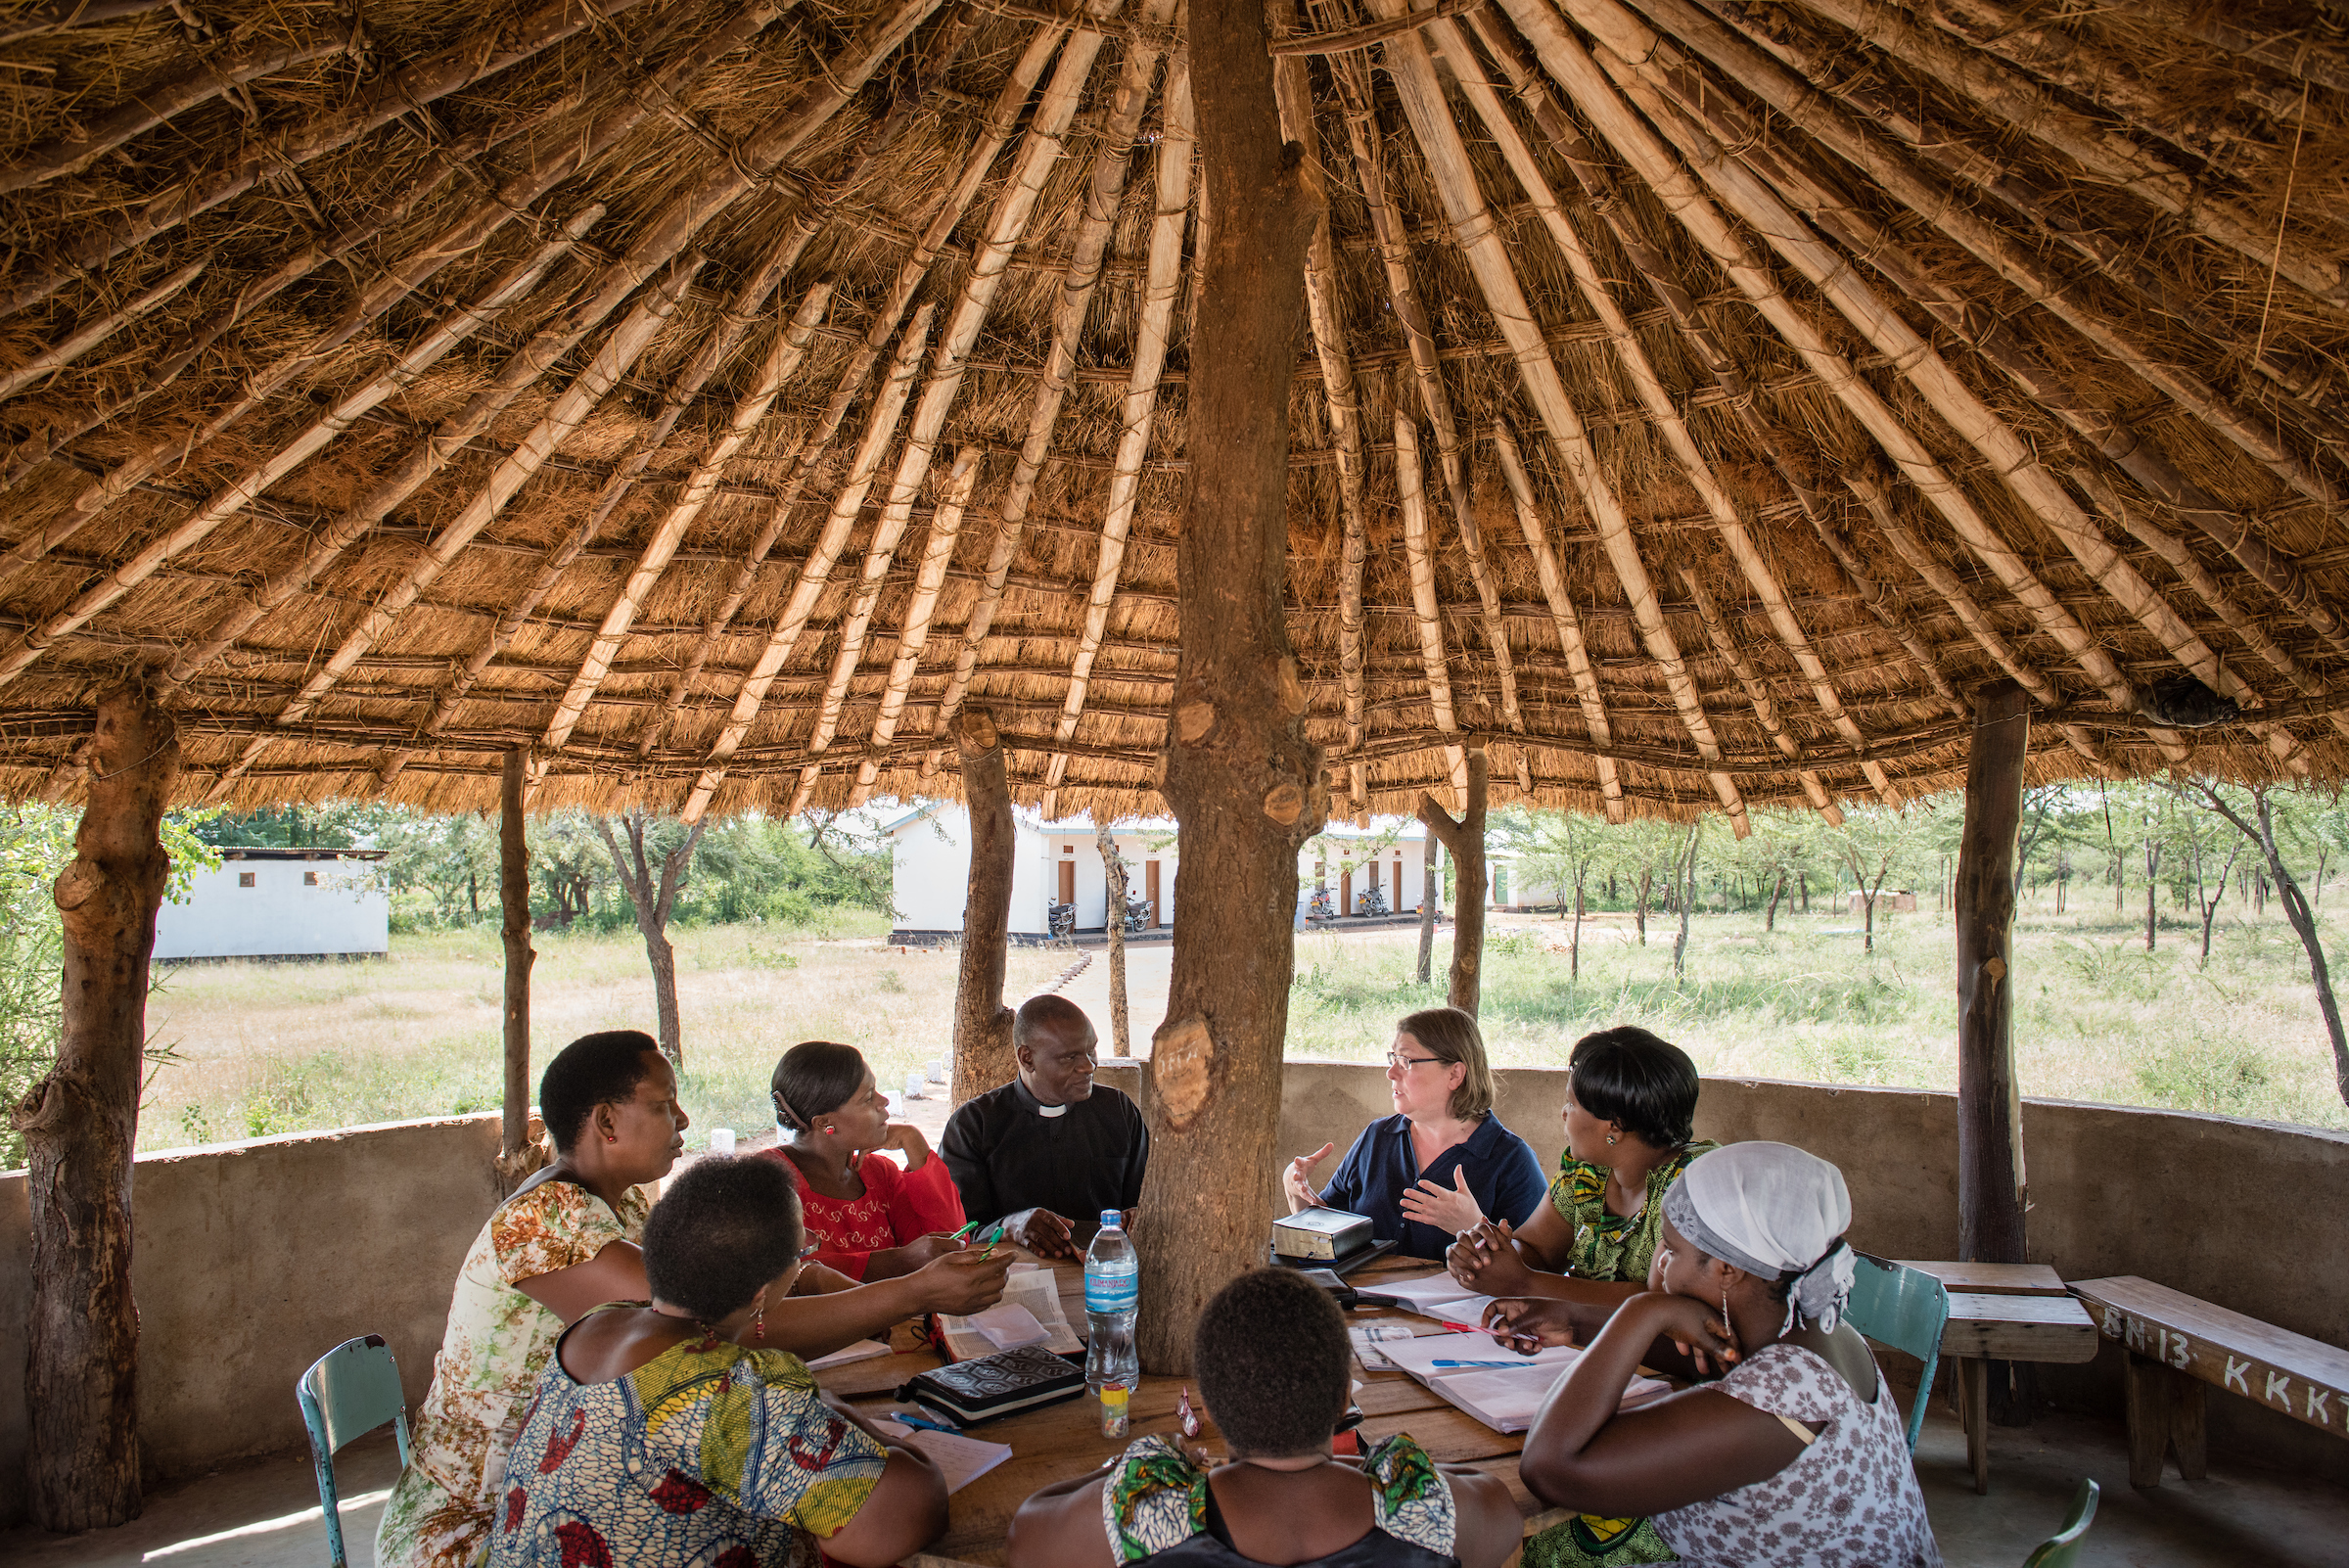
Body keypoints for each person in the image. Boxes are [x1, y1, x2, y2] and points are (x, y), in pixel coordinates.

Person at [488, 1155, 948, 1568]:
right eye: (802, 1251)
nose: (813, 1240)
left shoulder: (596, 1325)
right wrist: (835, 1413)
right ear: (759, 1295)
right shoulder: (721, 1390)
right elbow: (895, 1521)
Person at [1501, 1142, 1943, 1568]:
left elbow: (1551, 1468)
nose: (1658, 1266)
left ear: (1727, 1270)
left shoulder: (1783, 1400)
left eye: (1671, 1251)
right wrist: (1575, 1324)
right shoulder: (1812, 1329)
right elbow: (1717, 1358)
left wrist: (1643, 1312)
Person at [378, 1030, 687, 1568]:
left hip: (547, 1493)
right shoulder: (544, 1219)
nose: (682, 1120)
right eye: (663, 1106)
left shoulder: (625, 1204)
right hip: (474, 1527)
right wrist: (884, 1298)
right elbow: (700, 1314)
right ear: (606, 1123)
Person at [1007, 1267, 1521, 1568]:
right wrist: (1370, 1471)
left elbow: (1026, 1533)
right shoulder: (1416, 1509)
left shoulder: (1150, 1514)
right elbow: (1499, 1507)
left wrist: (1126, 1469)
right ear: (1345, 1399)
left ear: (1207, 1406)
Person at [1446, 1027, 1715, 1341]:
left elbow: (1661, 1304)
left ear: (1614, 1126)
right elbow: (1536, 1249)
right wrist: (1489, 1256)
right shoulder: (1587, 1174)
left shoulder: (1693, 1181)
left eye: (1572, 1104)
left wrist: (1525, 1283)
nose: (1564, 1113)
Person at [1282, 1006, 1546, 1260]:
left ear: (1455, 1074)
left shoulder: (1512, 1160)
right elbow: (1326, 1237)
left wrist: (1475, 1226)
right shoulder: (1377, 1137)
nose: (1390, 1072)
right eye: (1392, 1058)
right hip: (1363, 1304)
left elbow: (1533, 1271)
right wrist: (1295, 1191)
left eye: (1406, 1061)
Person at [941, 993, 1148, 1260]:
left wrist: (1136, 1216)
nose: (1089, 1066)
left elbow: (1146, 1201)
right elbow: (957, 1232)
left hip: (1109, 1278)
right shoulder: (973, 1126)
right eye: (1069, 1057)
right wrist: (1009, 1226)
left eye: (1091, 1050)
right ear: (1027, 1058)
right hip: (1011, 1284)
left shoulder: (1118, 1111)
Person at [761, 1040, 965, 1279]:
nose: (884, 1102)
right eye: (868, 1098)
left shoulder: (879, 1175)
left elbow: (949, 1246)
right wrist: (900, 1260)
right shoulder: (769, 1180)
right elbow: (788, 1276)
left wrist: (914, 1142)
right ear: (824, 1122)